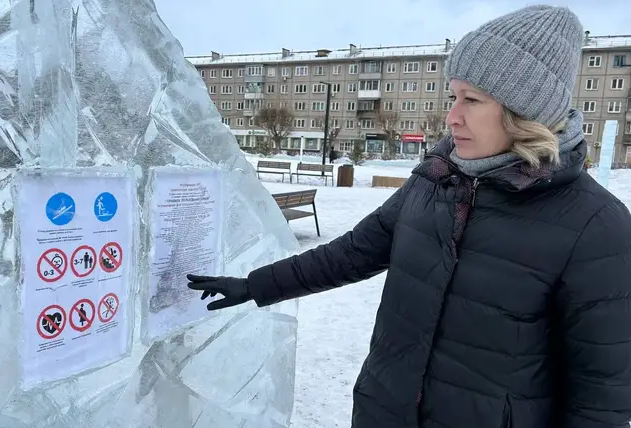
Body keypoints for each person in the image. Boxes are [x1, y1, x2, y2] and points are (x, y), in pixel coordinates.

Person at [187, 5, 631, 428]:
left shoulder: (596, 227)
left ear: (525, 112)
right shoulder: (434, 182)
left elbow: (602, 396)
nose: (451, 116)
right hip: (386, 411)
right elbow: (353, 252)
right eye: (453, 96)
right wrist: (255, 285)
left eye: (471, 100)